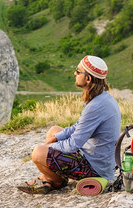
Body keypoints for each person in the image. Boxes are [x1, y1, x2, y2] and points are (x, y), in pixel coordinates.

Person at [17, 55, 121, 194]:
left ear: (88, 79)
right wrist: (57, 138)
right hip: (98, 157)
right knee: (54, 131)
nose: (75, 74)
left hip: (96, 167)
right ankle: (49, 177)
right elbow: (78, 126)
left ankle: (56, 181)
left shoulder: (95, 106)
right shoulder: (102, 98)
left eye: (78, 71)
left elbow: (73, 144)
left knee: (37, 153)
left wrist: (48, 147)